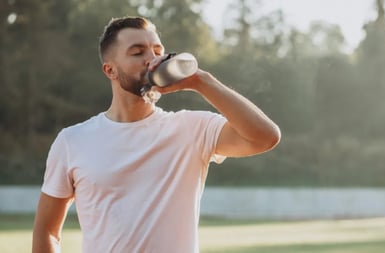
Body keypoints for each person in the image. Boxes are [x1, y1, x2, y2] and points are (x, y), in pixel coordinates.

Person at [32, 16, 281, 253]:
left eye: (158, 51)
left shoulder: (192, 128)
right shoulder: (72, 141)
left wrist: (201, 81)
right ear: (110, 70)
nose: (152, 59)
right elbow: (47, 231)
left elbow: (265, 137)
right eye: (138, 52)